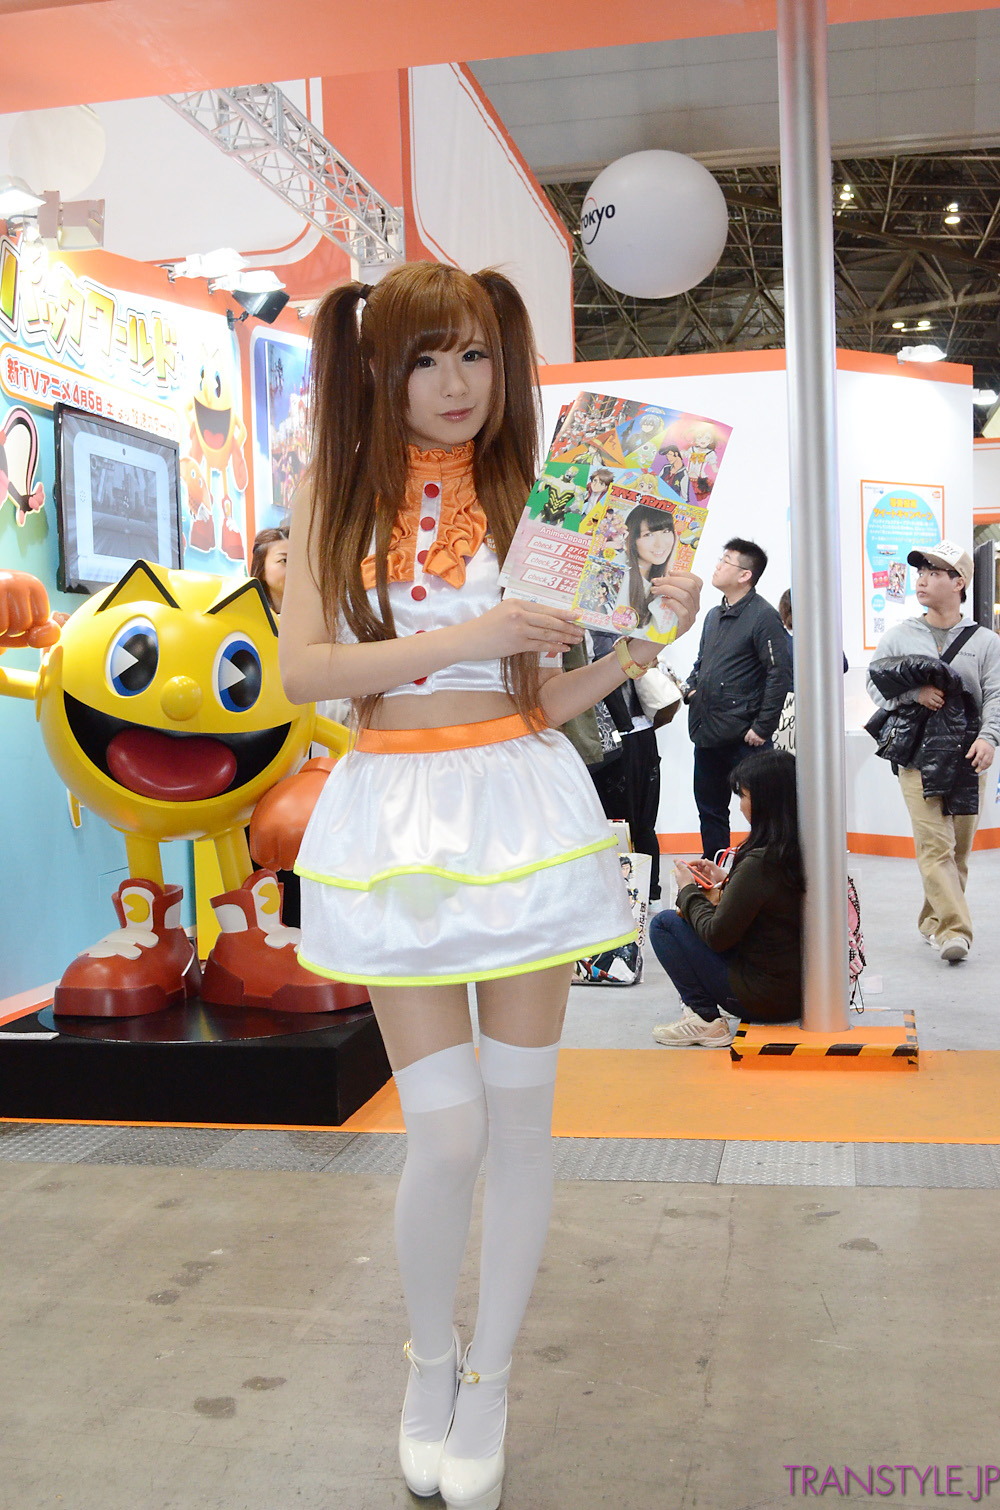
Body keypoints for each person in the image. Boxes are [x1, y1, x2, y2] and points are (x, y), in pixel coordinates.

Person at [277, 261, 702, 1510]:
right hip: (395, 819)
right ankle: (429, 1360)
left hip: (519, 811)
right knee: (446, 1128)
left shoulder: (536, 495)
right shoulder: (332, 494)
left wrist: (641, 643)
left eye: (472, 354)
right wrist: (476, 633)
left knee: (517, 1125)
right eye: (424, 358)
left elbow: (538, 698)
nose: (454, 383)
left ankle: (492, 1379)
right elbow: (307, 672)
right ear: (378, 367)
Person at [866, 541, 1000, 964]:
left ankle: (932, 921)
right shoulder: (899, 635)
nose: (922, 580)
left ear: (959, 583)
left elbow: (996, 694)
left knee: (957, 851)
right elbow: (875, 685)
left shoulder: (985, 641)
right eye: (920, 572)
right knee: (934, 845)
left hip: (968, 755)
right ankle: (955, 932)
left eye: (934, 573)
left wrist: (989, 738)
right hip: (918, 755)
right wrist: (913, 694)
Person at [648, 748, 804, 1047]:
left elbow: (716, 935)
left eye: (743, 796)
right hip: (803, 994)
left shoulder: (760, 863)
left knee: (665, 924)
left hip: (763, 999)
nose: (740, 805)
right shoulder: (796, 849)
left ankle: (705, 1018)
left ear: (764, 801)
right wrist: (727, 879)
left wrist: (687, 890)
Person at [684, 538, 792, 861]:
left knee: (762, 813)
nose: (718, 565)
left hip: (746, 737)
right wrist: (691, 688)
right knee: (710, 811)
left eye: (726, 560)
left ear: (745, 575)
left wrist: (762, 727)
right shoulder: (713, 616)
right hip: (707, 732)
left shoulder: (763, 616)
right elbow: (702, 662)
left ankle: (763, 874)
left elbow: (779, 672)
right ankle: (715, 874)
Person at [626, 503, 678, 635]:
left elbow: (663, 630)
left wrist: (669, 570)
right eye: (648, 534)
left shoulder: (660, 580)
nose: (660, 544)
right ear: (632, 539)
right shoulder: (619, 575)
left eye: (666, 531)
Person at [249, 526, 289, 614]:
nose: (294, 568)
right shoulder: (248, 615)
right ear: (262, 569)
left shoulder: (314, 614)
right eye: (284, 561)